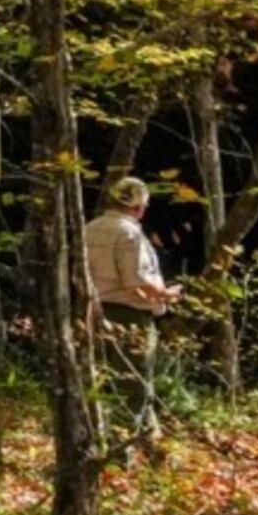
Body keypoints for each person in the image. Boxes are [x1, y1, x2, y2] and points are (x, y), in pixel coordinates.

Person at [82, 176, 180, 431]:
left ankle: (149, 443)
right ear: (139, 206)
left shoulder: (90, 228)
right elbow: (136, 282)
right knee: (134, 386)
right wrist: (167, 294)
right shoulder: (129, 233)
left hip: (94, 312)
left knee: (104, 382)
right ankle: (121, 452)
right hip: (130, 317)